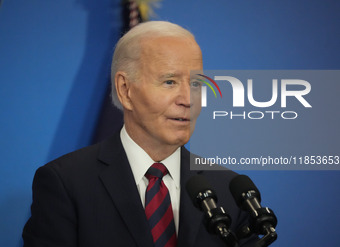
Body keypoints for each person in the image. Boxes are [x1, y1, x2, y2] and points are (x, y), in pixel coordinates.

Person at [22, 21, 257, 247]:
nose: (187, 100)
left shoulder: (231, 192)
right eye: (169, 81)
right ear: (125, 90)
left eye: (196, 84)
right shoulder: (66, 183)